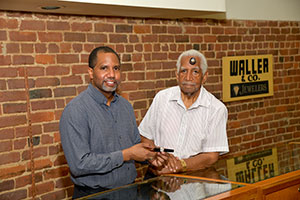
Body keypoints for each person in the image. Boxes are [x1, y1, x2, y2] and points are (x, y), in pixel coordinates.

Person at [59, 46, 165, 199]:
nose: (112, 75)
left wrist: (150, 156)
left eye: (116, 68)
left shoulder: (125, 107)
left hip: (130, 192)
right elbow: (79, 165)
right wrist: (126, 155)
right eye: (104, 68)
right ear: (90, 72)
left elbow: (134, 147)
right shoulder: (75, 111)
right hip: (94, 195)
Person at [139, 49, 229, 176]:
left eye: (195, 72)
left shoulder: (216, 109)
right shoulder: (162, 98)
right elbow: (145, 135)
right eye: (183, 71)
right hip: (157, 176)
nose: (188, 77)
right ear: (177, 75)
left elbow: (211, 156)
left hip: (193, 179)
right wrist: (157, 158)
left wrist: (181, 164)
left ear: (205, 77)